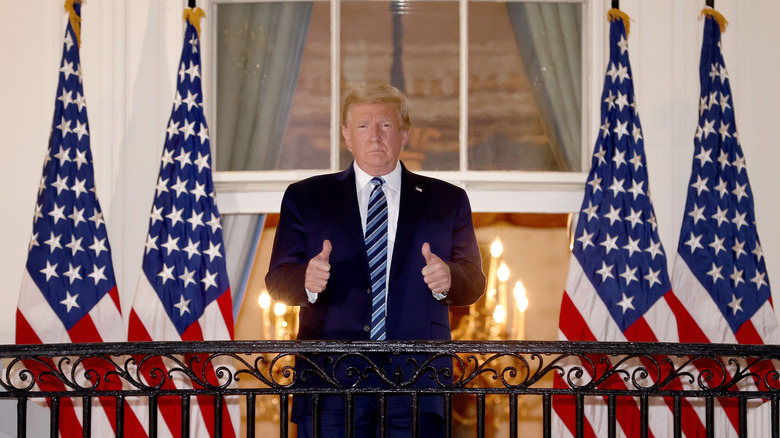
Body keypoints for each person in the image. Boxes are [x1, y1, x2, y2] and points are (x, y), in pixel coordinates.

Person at [265, 84, 486, 437]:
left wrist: (451, 279)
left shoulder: (447, 199)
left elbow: (474, 281)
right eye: (363, 126)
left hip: (419, 378)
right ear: (346, 136)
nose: (375, 136)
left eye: (385, 125)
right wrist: (306, 280)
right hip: (330, 380)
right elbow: (277, 281)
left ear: (404, 135)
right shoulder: (306, 197)